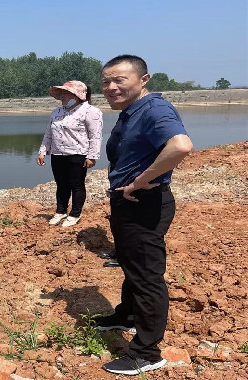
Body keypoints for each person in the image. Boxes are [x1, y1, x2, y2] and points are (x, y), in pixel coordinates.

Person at [95, 54, 193, 376]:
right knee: (130, 263)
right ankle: (127, 315)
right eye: (106, 82)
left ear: (143, 80)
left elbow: (180, 145)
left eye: (119, 80)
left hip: (145, 202)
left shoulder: (154, 109)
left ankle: (147, 353)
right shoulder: (130, 111)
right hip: (128, 201)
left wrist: (140, 180)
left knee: (147, 277)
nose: (111, 87)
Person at [37, 80, 103, 227]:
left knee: (77, 185)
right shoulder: (57, 112)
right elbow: (49, 133)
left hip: (78, 154)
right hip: (57, 154)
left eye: (65, 93)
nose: (62, 96)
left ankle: (75, 214)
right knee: (61, 185)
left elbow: (95, 136)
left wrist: (92, 156)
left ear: (77, 95)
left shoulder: (90, 111)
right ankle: (60, 211)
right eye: (61, 93)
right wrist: (42, 151)